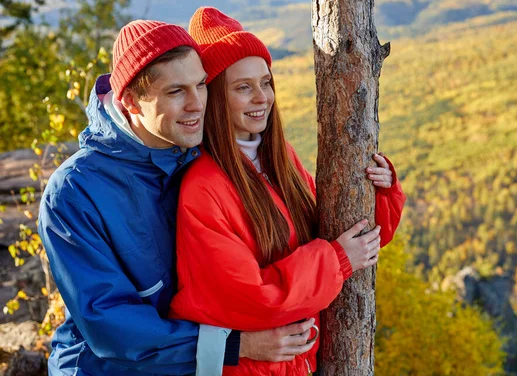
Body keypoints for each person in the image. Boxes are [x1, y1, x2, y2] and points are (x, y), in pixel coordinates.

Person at [38, 19, 319, 376]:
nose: (197, 104)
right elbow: (109, 323)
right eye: (176, 92)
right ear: (131, 101)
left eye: (200, 85)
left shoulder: (198, 151)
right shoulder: (75, 192)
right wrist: (237, 344)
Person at [169, 7, 407, 376]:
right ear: (215, 97)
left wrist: (380, 190)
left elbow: (357, 240)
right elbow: (251, 299)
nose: (262, 97)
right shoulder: (203, 189)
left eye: (266, 83)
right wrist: (338, 260)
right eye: (243, 87)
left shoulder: (279, 161)